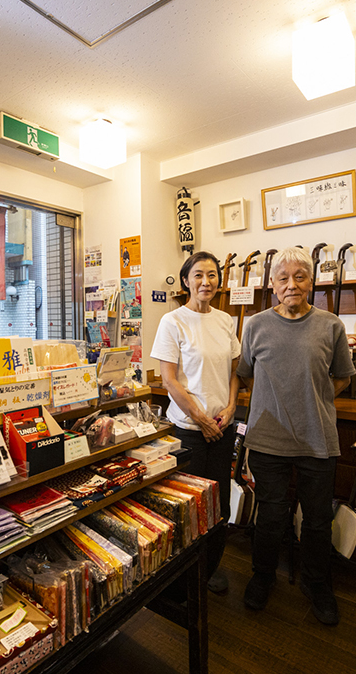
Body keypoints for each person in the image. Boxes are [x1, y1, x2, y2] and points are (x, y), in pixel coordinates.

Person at [236, 246, 355, 625]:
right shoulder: (254, 326)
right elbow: (246, 373)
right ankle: (262, 575)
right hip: (268, 440)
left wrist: (312, 400)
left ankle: (317, 584)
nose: (291, 285)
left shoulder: (331, 325)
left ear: (311, 282)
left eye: (299, 277)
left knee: (318, 519)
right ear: (272, 285)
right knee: (270, 514)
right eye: (283, 278)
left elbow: (341, 378)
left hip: (317, 438)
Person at [150, 251, 241, 594]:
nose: (206, 281)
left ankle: (209, 568)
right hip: (189, 431)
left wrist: (231, 407)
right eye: (199, 275)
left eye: (212, 275)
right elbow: (170, 382)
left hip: (222, 428)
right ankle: (183, 578)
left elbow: (235, 372)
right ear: (186, 280)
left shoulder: (224, 320)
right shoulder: (173, 321)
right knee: (190, 507)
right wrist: (201, 419)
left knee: (220, 503)